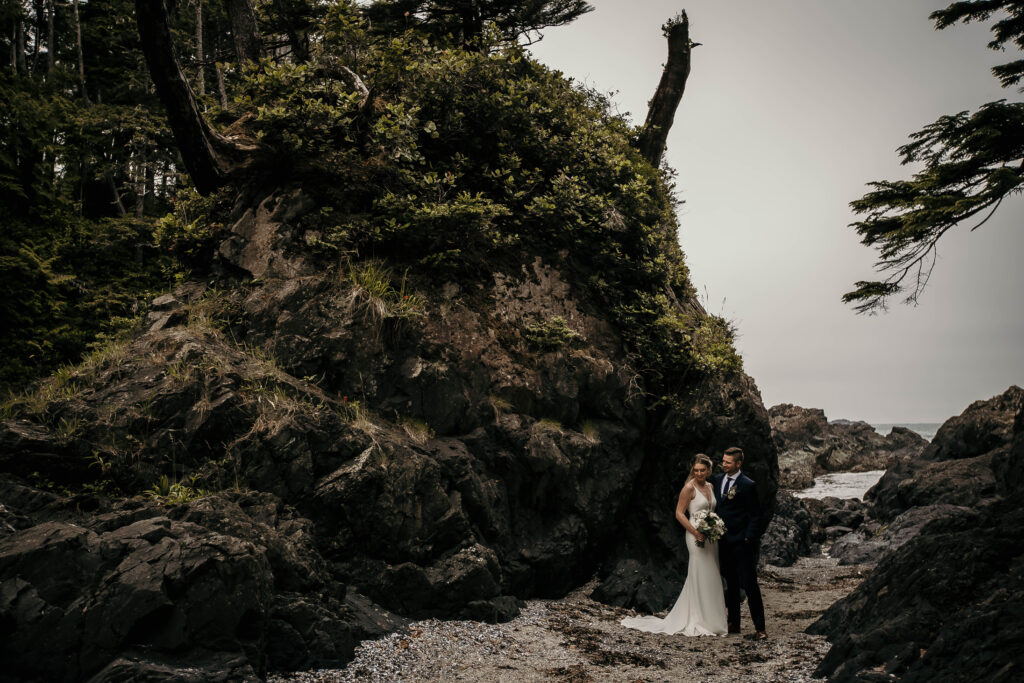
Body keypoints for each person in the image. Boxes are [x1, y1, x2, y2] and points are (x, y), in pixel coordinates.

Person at [621, 454, 727, 636]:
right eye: (696, 470)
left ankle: (713, 619)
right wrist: (696, 532)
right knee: (700, 572)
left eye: (703, 470)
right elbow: (679, 513)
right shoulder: (688, 488)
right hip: (695, 536)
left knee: (712, 573)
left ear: (709, 470)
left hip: (710, 537)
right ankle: (697, 618)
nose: (699, 473)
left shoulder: (710, 486)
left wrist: (713, 527)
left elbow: (712, 511)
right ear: (692, 470)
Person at [711, 446, 767, 639]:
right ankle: (734, 623)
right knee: (731, 583)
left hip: (741, 541)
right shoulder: (718, 481)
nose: (724, 464)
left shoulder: (747, 484)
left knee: (750, 584)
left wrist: (748, 538)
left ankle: (760, 628)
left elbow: (755, 515)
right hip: (723, 540)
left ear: (738, 463)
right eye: (723, 461)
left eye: (728, 462)